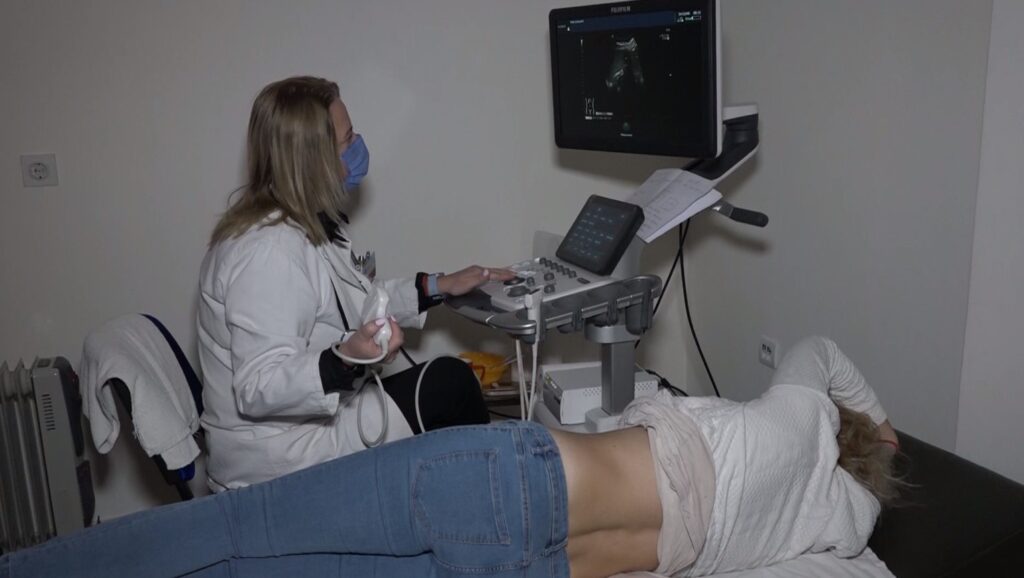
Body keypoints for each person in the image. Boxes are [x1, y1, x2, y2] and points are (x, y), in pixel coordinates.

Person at [0, 337, 900, 578]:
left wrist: (879, 421)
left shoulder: (798, 420)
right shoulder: (817, 536)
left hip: (505, 481)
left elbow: (817, 350)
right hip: (532, 569)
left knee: (238, 526)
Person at [196, 75, 515, 491]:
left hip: (310, 427)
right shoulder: (267, 252)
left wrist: (437, 286)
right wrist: (344, 359)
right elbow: (259, 386)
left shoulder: (299, 224)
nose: (358, 145)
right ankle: (497, 506)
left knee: (443, 384)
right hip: (279, 462)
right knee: (448, 385)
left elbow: (355, 303)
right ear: (314, 160)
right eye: (348, 140)